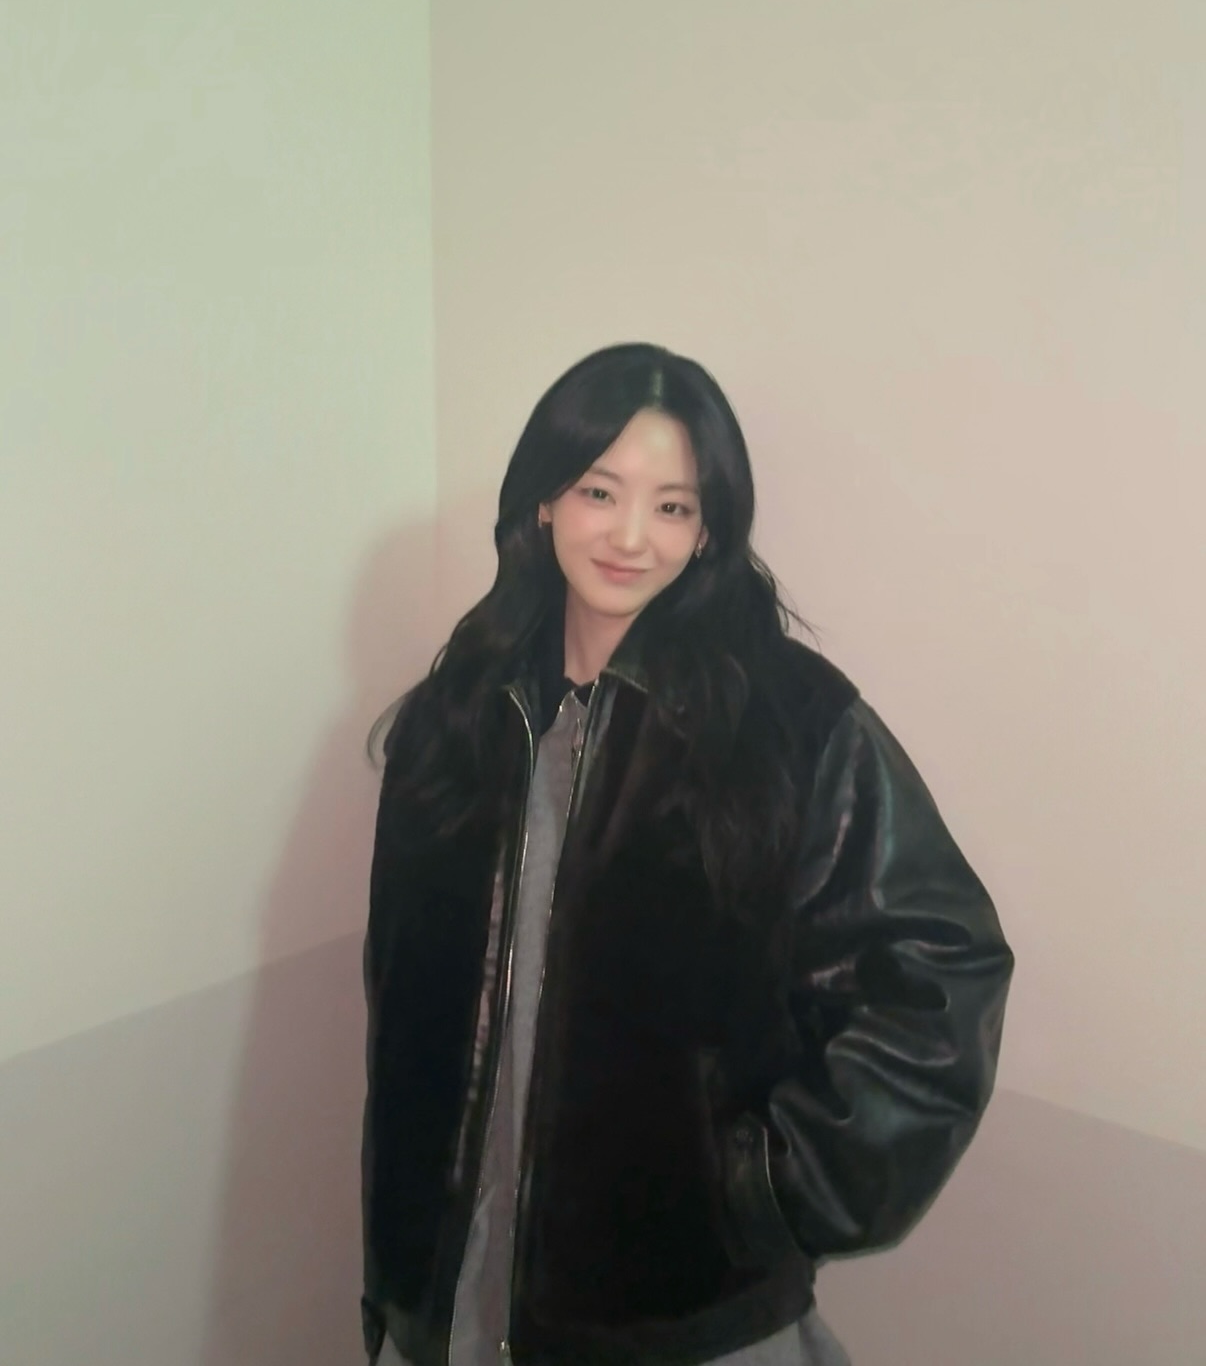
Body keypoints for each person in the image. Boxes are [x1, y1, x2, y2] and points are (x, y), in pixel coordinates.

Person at [360, 343, 1014, 1366]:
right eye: (599, 491)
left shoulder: (791, 722)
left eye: (673, 506)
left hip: (682, 1317)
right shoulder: (459, 714)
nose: (632, 536)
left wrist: (770, 1192)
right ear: (543, 501)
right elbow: (400, 999)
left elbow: (941, 971)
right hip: (453, 1291)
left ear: (709, 530)